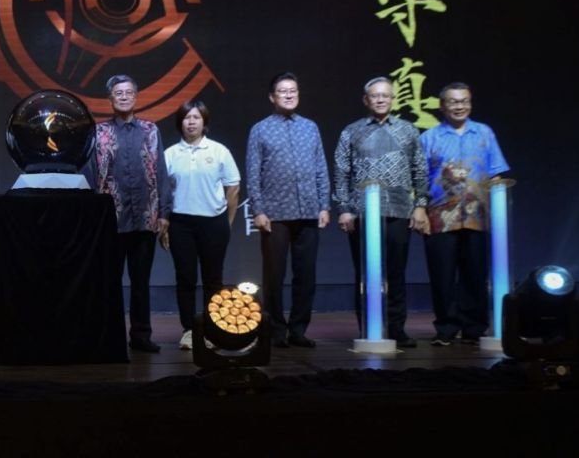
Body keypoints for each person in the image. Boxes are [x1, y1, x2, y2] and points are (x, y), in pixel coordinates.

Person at [333, 76, 429, 348]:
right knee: (365, 273)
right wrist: (344, 209)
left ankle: (397, 329)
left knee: (396, 273)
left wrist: (420, 205)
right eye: (375, 95)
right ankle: (368, 327)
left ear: (393, 99)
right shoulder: (352, 131)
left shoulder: (408, 130)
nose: (380, 99)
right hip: (362, 212)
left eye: (385, 95)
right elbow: (341, 172)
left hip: (399, 210)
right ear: (366, 100)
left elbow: (420, 169)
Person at [420, 82, 510, 346]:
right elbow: (419, 178)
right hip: (439, 216)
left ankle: (474, 328)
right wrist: (420, 210)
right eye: (453, 102)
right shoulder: (429, 137)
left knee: (475, 274)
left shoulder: (484, 133)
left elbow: (496, 173)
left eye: (464, 101)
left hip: (477, 216)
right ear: (442, 106)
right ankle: (446, 328)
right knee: (442, 276)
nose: (459, 106)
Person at [247, 72, 331, 348]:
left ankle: (298, 329)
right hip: (275, 214)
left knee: (306, 275)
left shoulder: (310, 127)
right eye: (283, 91)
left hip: (308, 211)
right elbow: (253, 173)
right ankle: (275, 330)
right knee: (274, 276)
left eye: (293, 90)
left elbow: (321, 168)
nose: (289, 95)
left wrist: (324, 205)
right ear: (272, 97)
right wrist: (258, 210)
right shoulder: (260, 129)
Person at [89, 74, 171, 353]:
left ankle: (141, 335)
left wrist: (164, 213)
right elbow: (91, 175)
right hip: (111, 221)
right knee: (109, 282)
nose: (124, 97)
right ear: (110, 99)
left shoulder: (150, 130)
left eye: (128, 92)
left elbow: (161, 172)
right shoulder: (99, 132)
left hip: (145, 217)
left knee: (140, 282)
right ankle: (110, 336)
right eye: (118, 93)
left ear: (136, 97)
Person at [161, 100, 240, 350]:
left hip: (213, 223)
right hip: (180, 223)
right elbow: (163, 193)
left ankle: (212, 329)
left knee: (213, 279)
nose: (191, 122)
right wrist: (165, 226)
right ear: (180, 123)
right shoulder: (170, 154)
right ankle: (189, 330)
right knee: (185, 278)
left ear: (204, 121)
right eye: (187, 118)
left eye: (196, 117)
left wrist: (226, 222)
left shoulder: (219, 151)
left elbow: (233, 188)